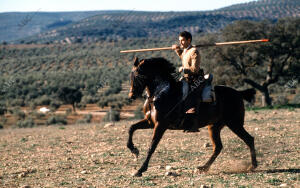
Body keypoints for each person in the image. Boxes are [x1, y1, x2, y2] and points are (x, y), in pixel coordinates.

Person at [172, 31, 205, 132]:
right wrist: (178, 51)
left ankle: (192, 124)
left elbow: (195, 69)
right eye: (179, 41)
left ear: (188, 40)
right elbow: (185, 58)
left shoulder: (194, 51)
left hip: (196, 79)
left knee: (190, 96)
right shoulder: (186, 51)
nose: (180, 43)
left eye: (182, 41)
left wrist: (184, 69)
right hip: (187, 79)